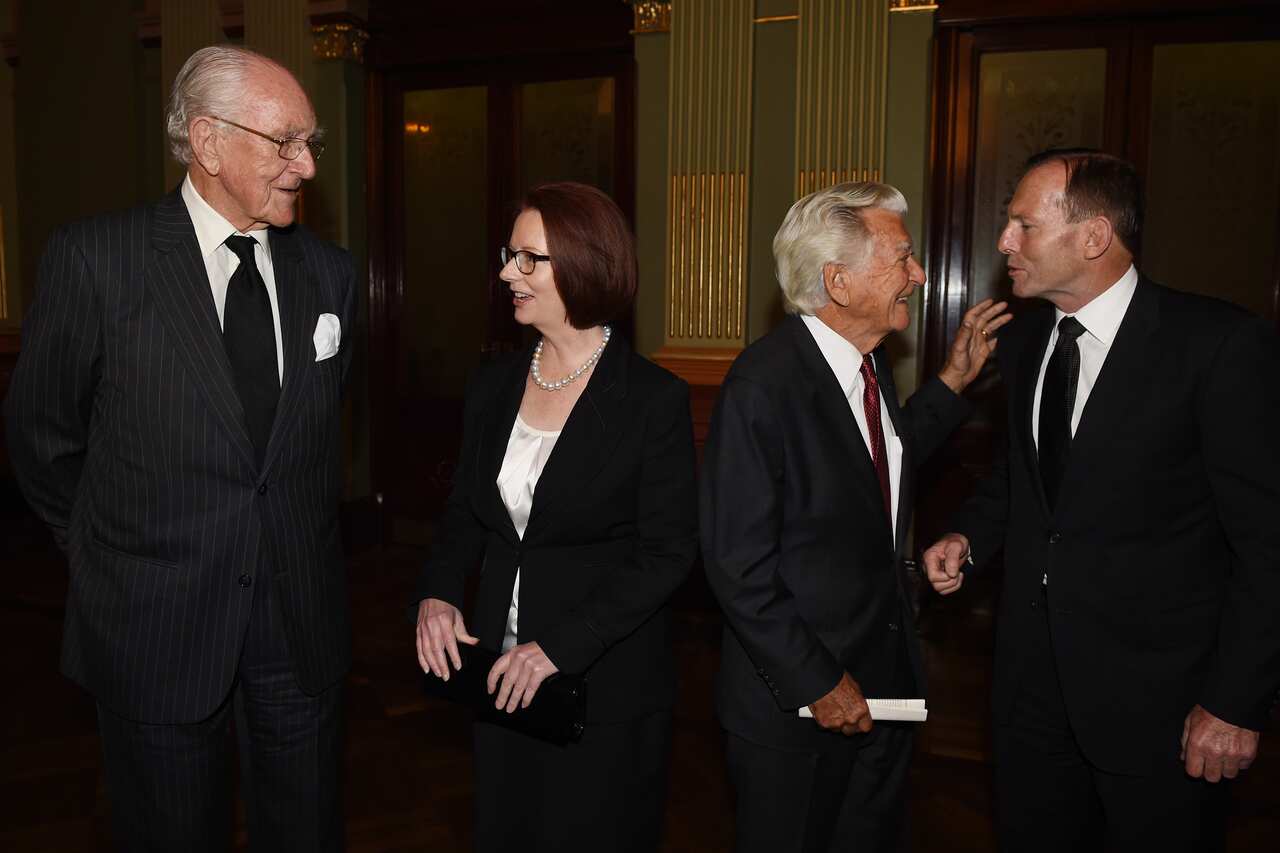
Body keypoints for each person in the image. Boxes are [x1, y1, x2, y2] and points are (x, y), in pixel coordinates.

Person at [4, 46, 354, 851]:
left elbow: (308, 440)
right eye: (284, 141)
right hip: (154, 626)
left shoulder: (329, 276)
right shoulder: (99, 259)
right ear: (207, 141)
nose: (304, 164)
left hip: (298, 628)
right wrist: (103, 554)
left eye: (311, 142)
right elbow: (41, 438)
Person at [923, 149, 1280, 852]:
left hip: (1164, 708)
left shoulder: (1217, 346)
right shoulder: (1025, 340)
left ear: (1093, 237)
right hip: (1029, 691)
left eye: (1024, 225)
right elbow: (1019, 483)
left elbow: (1268, 543)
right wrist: (968, 536)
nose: (1004, 242)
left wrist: (1235, 702)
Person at [701, 181, 1009, 853]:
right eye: (902, 257)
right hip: (800, 710)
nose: (920, 275)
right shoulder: (765, 384)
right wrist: (820, 680)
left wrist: (953, 380)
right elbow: (737, 566)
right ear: (838, 281)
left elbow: (877, 462)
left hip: (882, 689)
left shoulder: (864, 367)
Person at [413, 181, 697, 853]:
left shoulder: (651, 400)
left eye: (529, 259)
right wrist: (439, 592)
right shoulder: (492, 386)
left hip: (602, 690)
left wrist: (559, 647)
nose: (507, 273)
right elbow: (463, 517)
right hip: (498, 678)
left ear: (585, 265)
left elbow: (669, 552)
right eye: (509, 255)